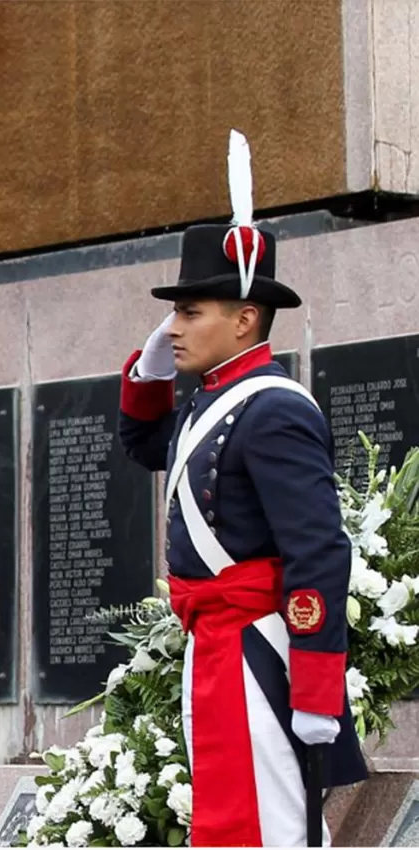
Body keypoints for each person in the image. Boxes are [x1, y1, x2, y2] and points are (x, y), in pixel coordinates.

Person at [117, 131, 366, 846]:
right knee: (231, 825)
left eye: (191, 312)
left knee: (273, 824)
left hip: (262, 644)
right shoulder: (211, 401)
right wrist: (151, 367)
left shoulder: (274, 407)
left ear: (246, 317)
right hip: (215, 642)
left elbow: (318, 550)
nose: (175, 325)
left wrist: (317, 687)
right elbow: (145, 445)